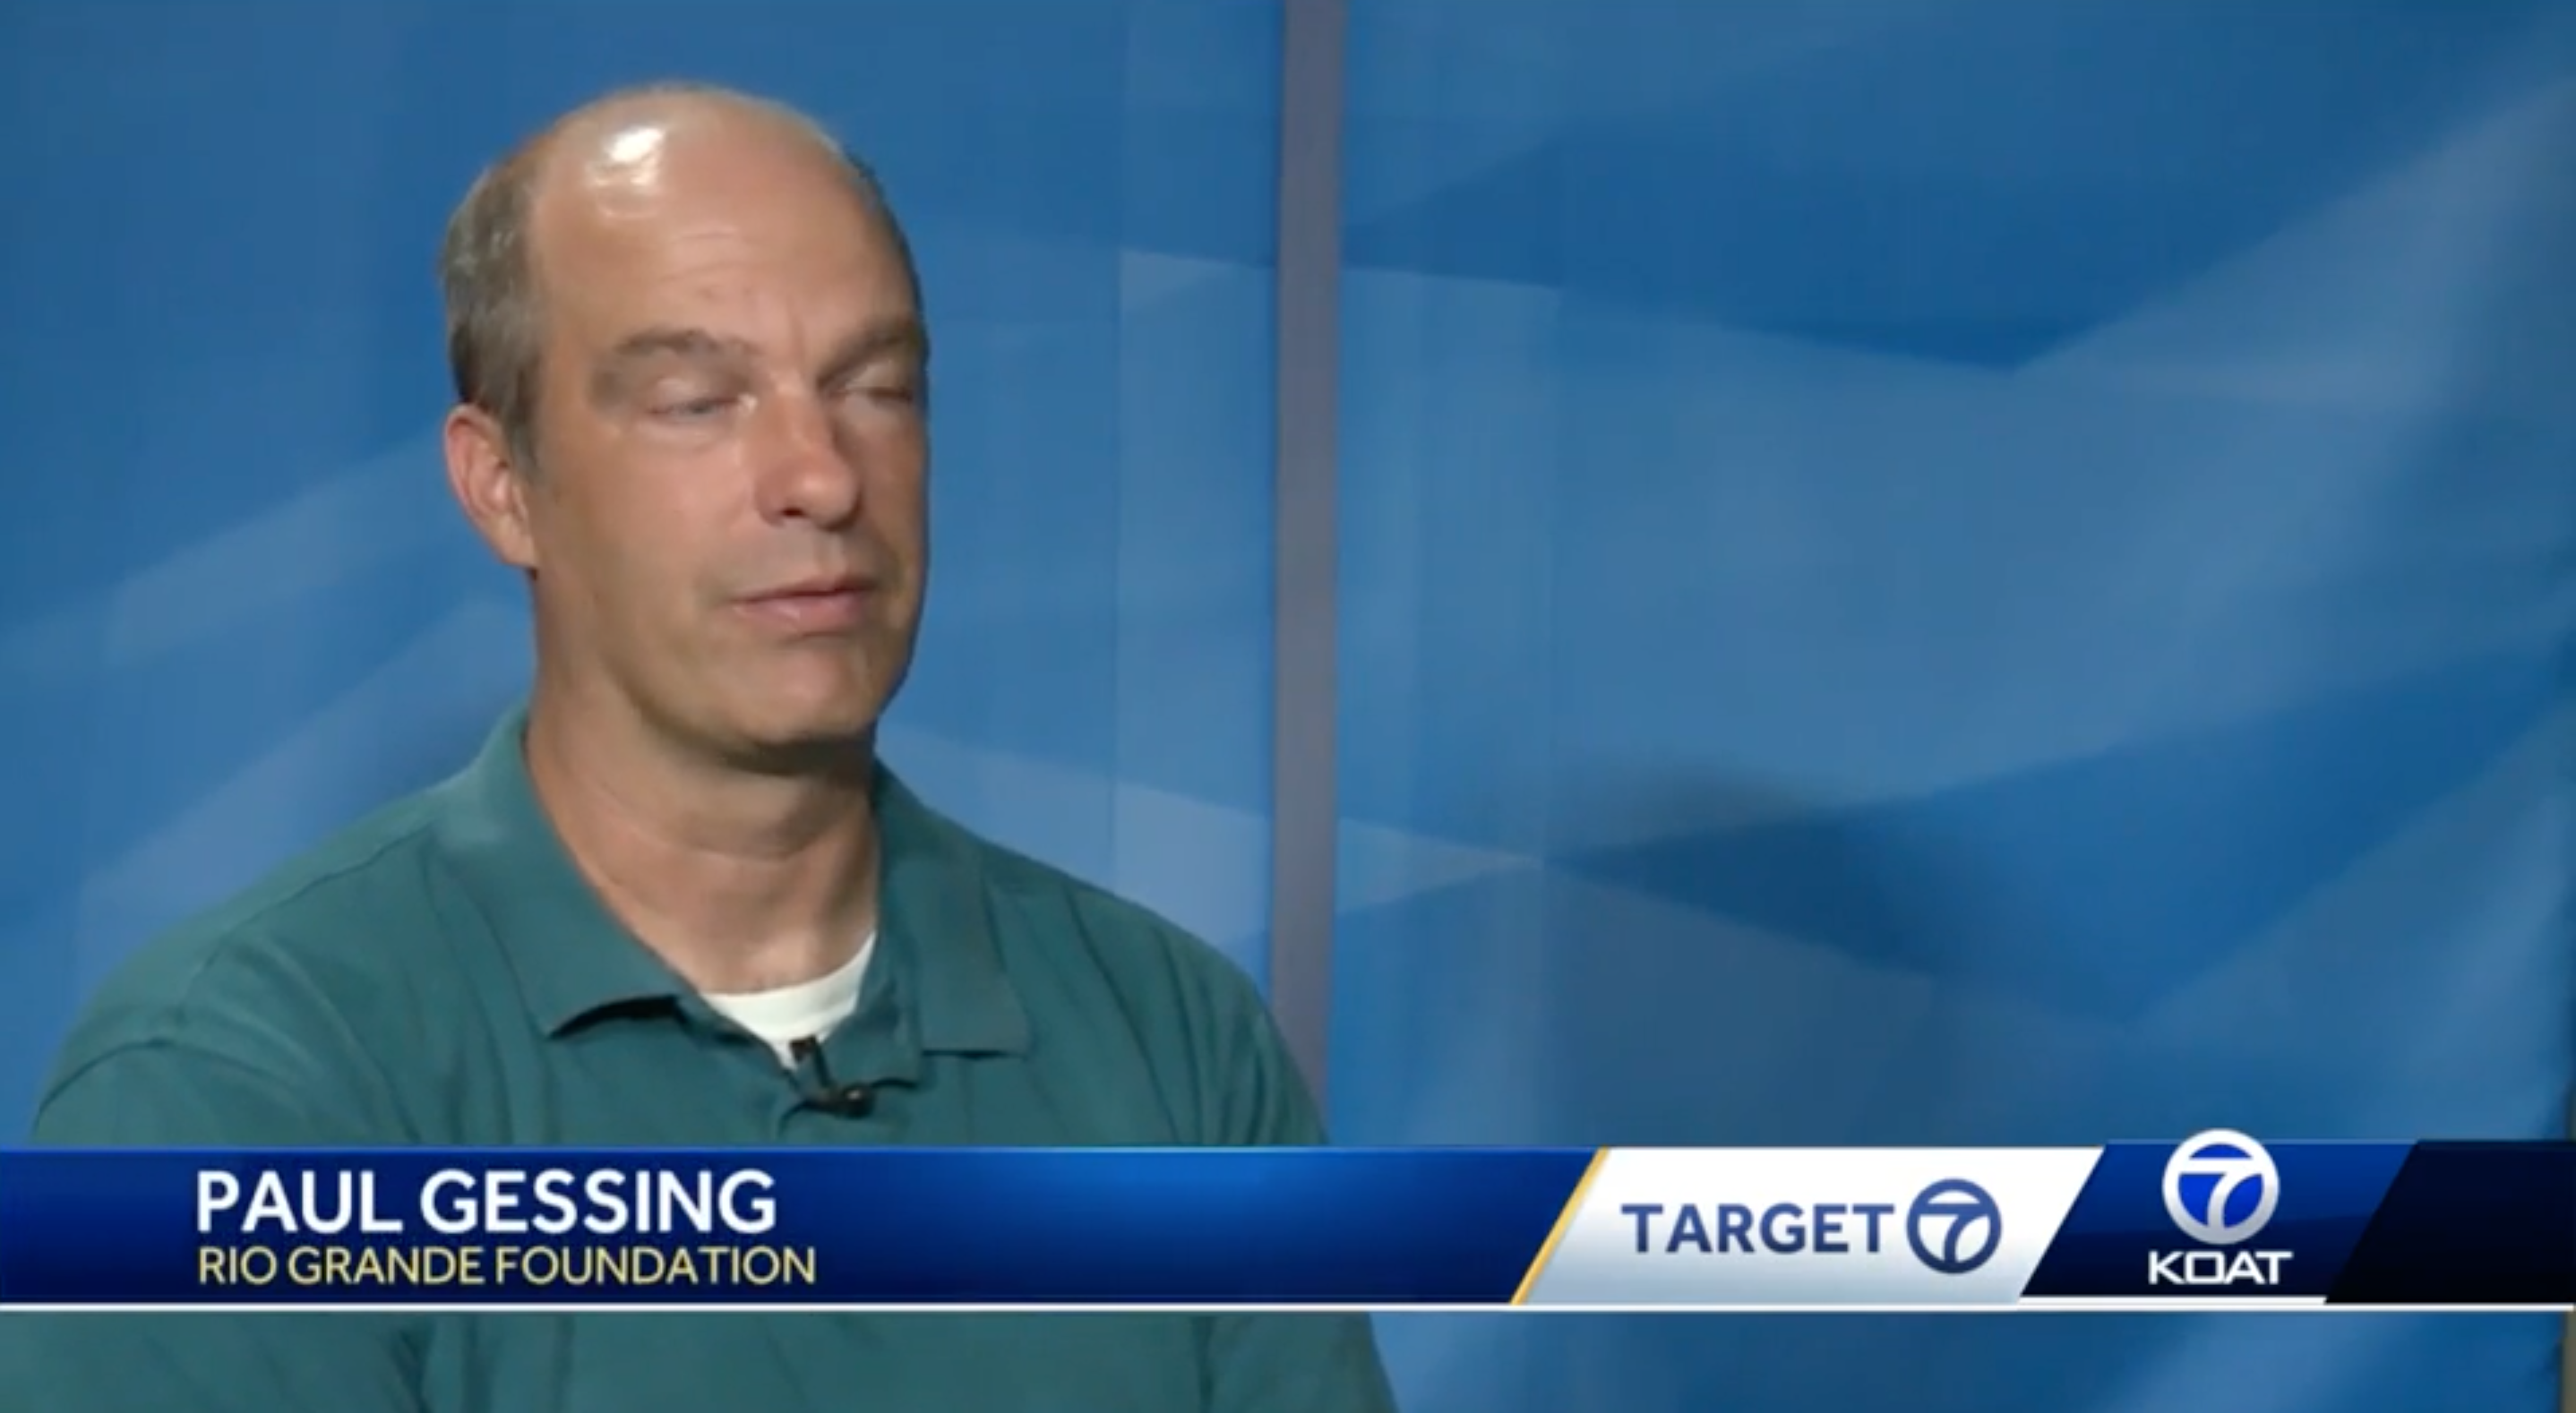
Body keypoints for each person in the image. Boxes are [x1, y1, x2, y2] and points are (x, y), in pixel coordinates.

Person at [8, 82, 1399, 1413]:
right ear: (503, 485)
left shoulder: (1169, 1043)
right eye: (697, 401)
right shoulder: (235, 1085)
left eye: (876, 386)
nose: (823, 476)